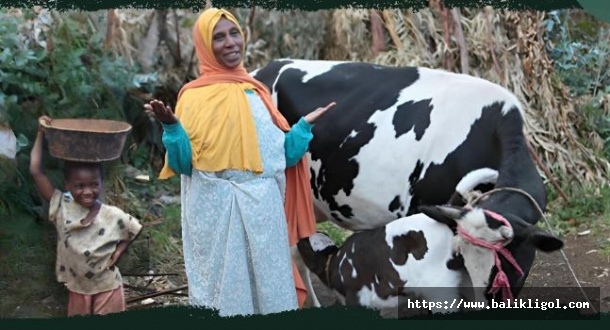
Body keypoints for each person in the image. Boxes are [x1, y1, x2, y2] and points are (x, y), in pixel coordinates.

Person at [144, 8, 335, 317]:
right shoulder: (192, 97)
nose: (230, 42)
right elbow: (183, 165)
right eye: (218, 37)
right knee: (224, 294)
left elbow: (280, 156)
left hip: (263, 213)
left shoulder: (256, 92)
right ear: (205, 45)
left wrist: (301, 129)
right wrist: (171, 128)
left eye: (234, 33)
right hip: (215, 214)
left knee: (269, 290)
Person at [30, 116, 143, 316]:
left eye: (94, 184)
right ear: (67, 185)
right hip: (77, 288)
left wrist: (119, 251)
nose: (88, 191)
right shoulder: (62, 205)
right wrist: (41, 133)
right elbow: (35, 170)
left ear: (101, 183)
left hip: (108, 288)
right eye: (79, 186)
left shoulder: (112, 215)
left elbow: (133, 229)